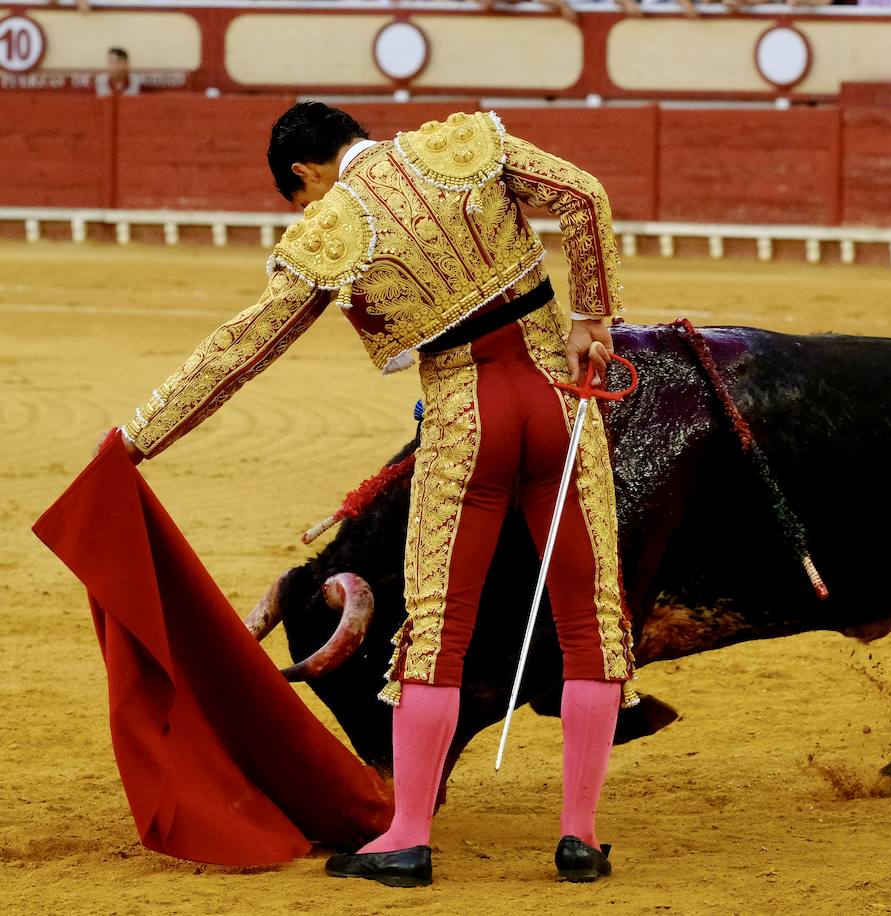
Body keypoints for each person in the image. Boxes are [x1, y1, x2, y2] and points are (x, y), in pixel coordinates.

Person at [106, 101, 637, 887]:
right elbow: (585, 195)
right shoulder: (459, 147)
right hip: (561, 394)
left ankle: (409, 839)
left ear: (304, 173)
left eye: (301, 197)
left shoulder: (331, 227)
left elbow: (241, 350)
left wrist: (135, 439)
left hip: (466, 414)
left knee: (438, 630)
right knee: (588, 620)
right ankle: (581, 841)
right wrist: (593, 314)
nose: (309, 209)